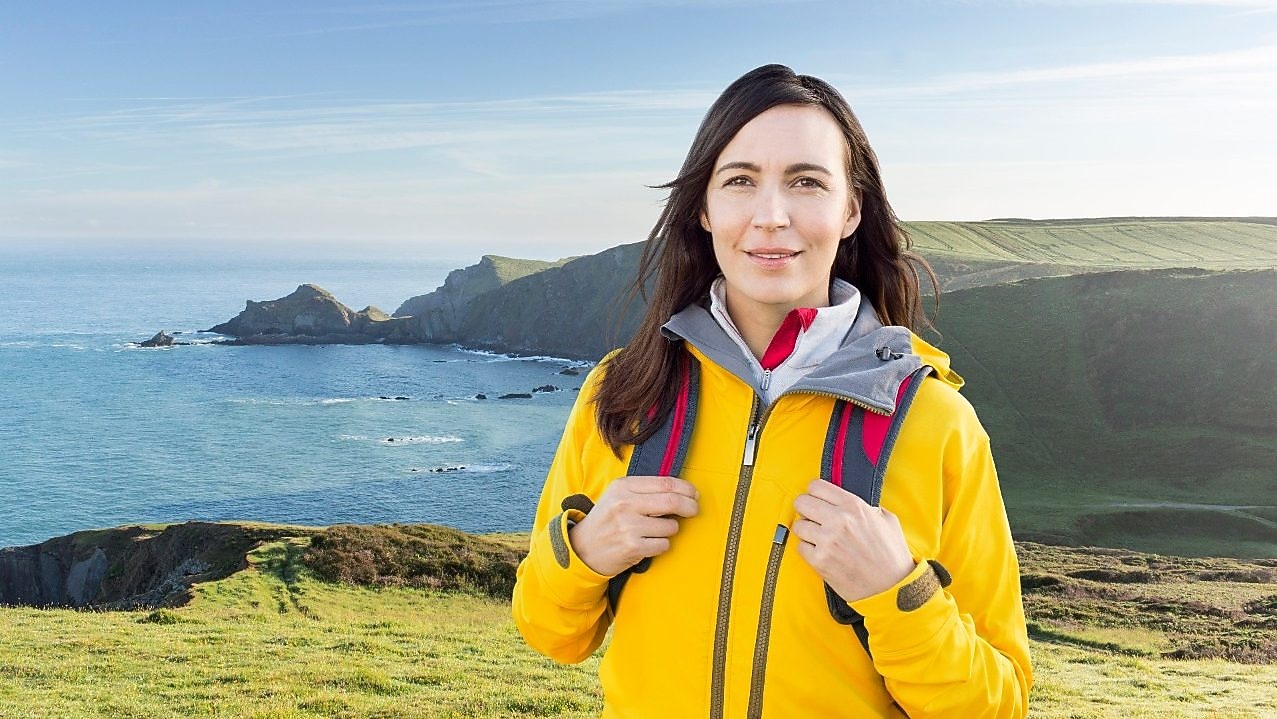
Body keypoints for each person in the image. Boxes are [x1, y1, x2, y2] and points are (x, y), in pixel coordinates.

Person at [512, 63, 1032, 718]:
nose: (770, 216)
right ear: (702, 207)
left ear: (850, 209)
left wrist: (897, 593)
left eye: (806, 182)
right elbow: (549, 631)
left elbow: (998, 702)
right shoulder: (623, 388)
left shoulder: (935, 422)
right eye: (739, 181)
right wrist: (582, 553)